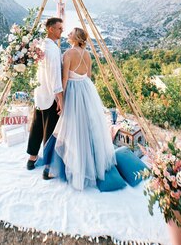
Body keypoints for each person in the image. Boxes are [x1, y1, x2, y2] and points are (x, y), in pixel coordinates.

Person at [42, 27, 116, 190]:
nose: (68, 34)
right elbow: (88, 76)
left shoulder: (68, 54)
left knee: (72, 129)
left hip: (74, 91)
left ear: (76, 37)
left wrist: (62, 99)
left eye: (71, 32)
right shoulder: (88, 54)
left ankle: (75, 166)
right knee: (89, 128)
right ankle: (92, 164)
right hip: (86, 89)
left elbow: (65, 78)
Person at [26, 17, 64, 171]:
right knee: (50, 129)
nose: (62, 31)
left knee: (36, 126)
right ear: (51, 29)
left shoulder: (40, 46)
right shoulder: (53, 50)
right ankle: (49, 164)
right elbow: (55, 76)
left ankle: (32, 158)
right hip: (49, 94)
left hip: (39, 92)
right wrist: (60, 98)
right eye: (59, 28)